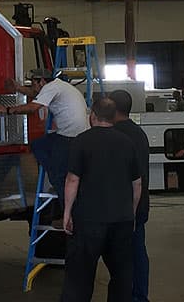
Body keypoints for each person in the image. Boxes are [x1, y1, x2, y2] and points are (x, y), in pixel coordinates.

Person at [61, 97, 142, 302]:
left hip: (89, 221)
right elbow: (137, 183)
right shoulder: (127, 142)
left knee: (79, 278)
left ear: (92, 116)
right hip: (121, 221)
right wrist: (131, 213)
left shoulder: (81, 141)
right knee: (121, 276)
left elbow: (72, 179)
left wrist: (67, 212)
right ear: (114, 117)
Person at [0, 68, 89, 204]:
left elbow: (33, 108)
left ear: (42, 81)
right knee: (40, 145)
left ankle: (67, 210)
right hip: (77, 135)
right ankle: (57, 177)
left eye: (34, 83)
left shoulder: (51, 87)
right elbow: (34, 93)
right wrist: (18, 88)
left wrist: (8, 110)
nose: (33, 87)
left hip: (69, 137)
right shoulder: (59, 85)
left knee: (57, 172)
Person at [109, 89, 150, 302]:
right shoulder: (139, 133)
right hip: (140, 203)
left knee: (125, 257)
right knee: (138, 252)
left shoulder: (116, 135)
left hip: (125, 207)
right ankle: (139, 296)